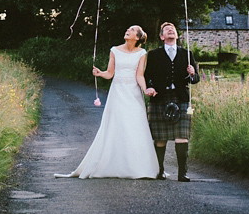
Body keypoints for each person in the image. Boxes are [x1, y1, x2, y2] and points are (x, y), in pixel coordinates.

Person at [55, 25, 159, 179]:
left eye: (131, 29)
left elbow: (139, 75)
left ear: (137, 37)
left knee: (135, 126)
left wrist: (145, 89)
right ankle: (112, 164)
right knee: (116, 125)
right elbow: (110, 74)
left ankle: (137, 166)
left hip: (133, 93)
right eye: (127, 29)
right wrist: (99, 73)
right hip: (117, 92)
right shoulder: (114, 50)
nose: (127, 30)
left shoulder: (142, 53)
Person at [142, 22, 200, 181]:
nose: (170, 31)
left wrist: (193, 73)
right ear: (162, 36)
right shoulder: (153, 54)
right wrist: (150, 87)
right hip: (159, 98)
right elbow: (147, 76)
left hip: (180, 98)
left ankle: (182, 173)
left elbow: (195, 79)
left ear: (177, 35)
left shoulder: (187, 54)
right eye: (167, 30)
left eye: (173, 29)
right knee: (160, 138)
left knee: (182, 137)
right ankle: (159, 170)